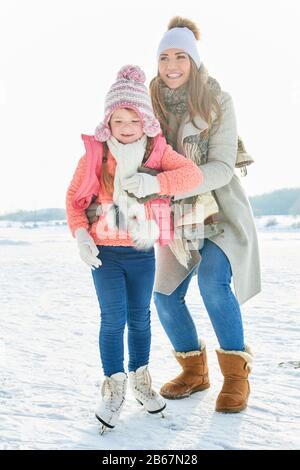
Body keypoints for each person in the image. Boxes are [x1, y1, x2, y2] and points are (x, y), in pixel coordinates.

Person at [86, 17, 262, 414]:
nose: (171, 65)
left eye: (181, 56)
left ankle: (236, 377)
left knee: (214, 284)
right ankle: (193, 371)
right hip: (170, 217)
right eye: (164, 57)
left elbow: (221, 168)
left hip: (217, 211)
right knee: (165, 298)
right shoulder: (148, 99)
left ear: (194, 61)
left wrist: (160, 184)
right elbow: (123, 138)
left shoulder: (218, 101)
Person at [65, 64, 203, 431]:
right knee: (113, 320)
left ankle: (142, 382)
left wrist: (154, 183)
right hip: (104, 254)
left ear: (145, 122)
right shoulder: (95, 157)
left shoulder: (156, 154)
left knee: (140, 318)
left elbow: (193, 175)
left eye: (133, 120)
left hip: (141, 251)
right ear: (107, 124)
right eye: (118, 121)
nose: (126, 128)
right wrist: (80, 235)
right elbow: (73, 201)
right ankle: (113, 388)